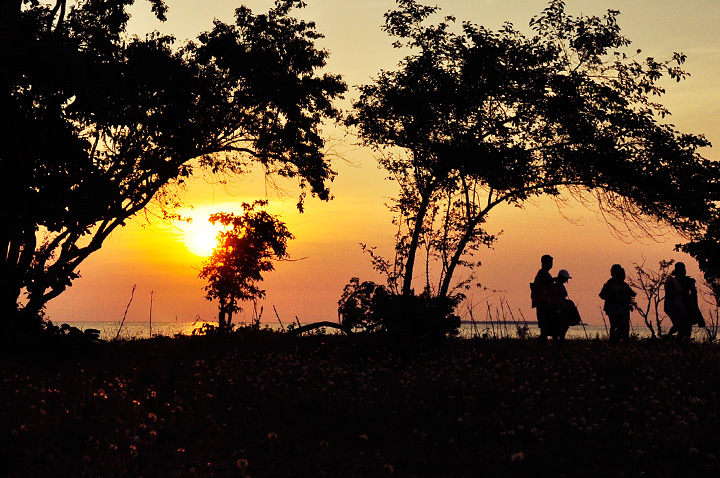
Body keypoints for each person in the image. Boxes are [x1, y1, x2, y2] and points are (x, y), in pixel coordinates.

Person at [599, 264, 636, 343]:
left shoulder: (623, 285)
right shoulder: (610, 284)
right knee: (617, 326)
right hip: (613, 309)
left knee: (623, 326)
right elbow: (602, 295)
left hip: (623, 308)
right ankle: (614, 342)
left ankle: (618, 342)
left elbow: (632, 293)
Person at [665, 262, 703, 339]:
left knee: (683, 325)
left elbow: (693, 294)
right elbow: (671, 294)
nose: (684, 271)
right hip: (676, 306)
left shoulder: (686, 281)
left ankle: (670, 339)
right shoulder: (673, 282)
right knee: (681, 326)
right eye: (682, 269)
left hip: (684, 306)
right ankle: (670, 339)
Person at [531, 254, 558, 341]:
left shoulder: (546, 274)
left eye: (551, 263)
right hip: (543, 303)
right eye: (549, 262)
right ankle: (541, 343)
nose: (551, 265)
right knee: (545, 325)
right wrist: (553, 280)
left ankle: (543, 342)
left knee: (547, 326)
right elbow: (543, 282)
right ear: (543, 263)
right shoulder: (542, 273)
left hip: (546, 303)